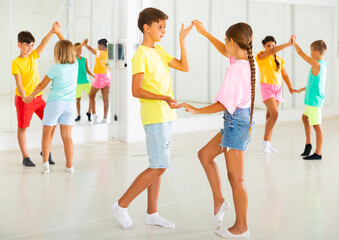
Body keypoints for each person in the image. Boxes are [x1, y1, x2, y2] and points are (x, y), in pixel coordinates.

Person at [110, 7, 193, 229]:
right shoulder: (141, 55)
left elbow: (184, 67)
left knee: (158, 165)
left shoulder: (159, 51)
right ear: (146, 28)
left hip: (166, 115)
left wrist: (182, 40)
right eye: (160, 26)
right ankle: (121, 205)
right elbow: (136, 90)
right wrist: (164, 97)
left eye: (165, 27)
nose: (163, 30)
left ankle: (152, 213)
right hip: (154, 115)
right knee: (158, 166)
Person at [182, 20, 255, 238]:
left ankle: (242, 227)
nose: (225, 44)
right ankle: (220, 200)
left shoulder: (235, 69)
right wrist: (204, 33)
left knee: (237, 179)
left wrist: (196, 110)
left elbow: (223, 104)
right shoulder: (247, 61)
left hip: (236, 123)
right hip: (238, 122)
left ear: (233, 41)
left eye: (226, 39)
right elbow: (225, 50)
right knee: (205, 155)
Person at [11, 22, 63, 167]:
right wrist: (24, 97)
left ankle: (45, 151)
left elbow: (44, 43)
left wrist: (52, 32)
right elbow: (19, 84)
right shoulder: (16, 63)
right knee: (22, 128)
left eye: (32, 45)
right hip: (24, 100)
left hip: (38, 98)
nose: (30, 48)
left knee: (52, 122)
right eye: (27, 45)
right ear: (19, 45)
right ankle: (25, 157)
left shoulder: (33, 56)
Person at [24, 39, 78, 174]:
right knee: (67, 137)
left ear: (58, 53)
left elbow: (42, 85)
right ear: (71, 51)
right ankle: (69, 166)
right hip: (70, 105)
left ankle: (45, 165)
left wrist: (30, 96)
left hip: (55, 103)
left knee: (47, 135)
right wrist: (58, 32)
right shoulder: (75, 65)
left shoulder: (55, 68)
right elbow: (67, 44)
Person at [255, 36, 298, 153]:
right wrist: (288, 44)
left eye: (273, 45)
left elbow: (285, 75)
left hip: (278, 89)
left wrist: (290, 87)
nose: (271, 47)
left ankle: (267, 143)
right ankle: (264, 141)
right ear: (264, 46)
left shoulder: (279, 59)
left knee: (270, 117)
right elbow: (272, 52)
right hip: (266, 87)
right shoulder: (260, 56)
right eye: (268, 45)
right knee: (275, 114)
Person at [292, 38, 327, 160]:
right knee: (304, 118)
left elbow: (302, 54)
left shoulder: (316, 64)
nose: (310, 53)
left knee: (317, 126)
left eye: (311, 50)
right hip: (311, 99)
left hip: (314, 101)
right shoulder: (322, 65)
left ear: (316, 52)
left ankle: (318, 153)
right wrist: (303, 89)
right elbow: (316, 84)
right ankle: (308, 144)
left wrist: (295, 44)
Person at [82, 38, 110, 123]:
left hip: (100, 77)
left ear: (101, 45)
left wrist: (84, 44)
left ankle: (94, 116)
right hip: (108, 76)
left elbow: (91, 50)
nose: (97, 47)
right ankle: (105, 118)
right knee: (106, 99)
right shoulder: (110, 53)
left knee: (91, 95)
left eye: (98, 45)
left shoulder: (100, 52)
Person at [74, 42, 95, 122]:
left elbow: (88, 70)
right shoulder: (73, 59)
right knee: (78, 99)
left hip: (85, 82)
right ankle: (79, 115)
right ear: (74, 50)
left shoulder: (85, 60)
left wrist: (93, 75)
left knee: (91, 96)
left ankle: (89, 112)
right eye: (78, 49)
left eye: (81, 49)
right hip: (77, 83)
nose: (80, 51)